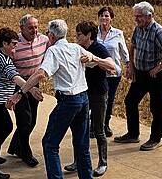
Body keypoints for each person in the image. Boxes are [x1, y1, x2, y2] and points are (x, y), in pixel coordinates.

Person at [11, 19, 100, 179]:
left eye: (47, 32)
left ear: (51, 35)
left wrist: (21, 92)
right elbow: (100, 62)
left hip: (69, 102)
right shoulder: (76, 47)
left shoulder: (53, 51)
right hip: (83, 100)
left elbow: (40, 74)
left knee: (50, 144)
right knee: (82, 144)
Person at [0, 27, 43, 179]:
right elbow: (16, 78)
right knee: (3, 130)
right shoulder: (6, 61)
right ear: (5, 44)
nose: (16, 46)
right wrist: (32, 89)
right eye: (14, 44)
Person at [114, 2, 162, 151]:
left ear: (149, 16)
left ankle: (156, 139)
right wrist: (131, 66)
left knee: (156, 107)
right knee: (130, 101)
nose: (136, 19)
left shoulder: (158, 31)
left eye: (139, 16)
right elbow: (133, 46)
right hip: (140, 73)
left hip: (155, 75)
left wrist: (159, 66)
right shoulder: (139, 28)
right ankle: (133, 134)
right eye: (135, 16)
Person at [64, 21, 116, 176]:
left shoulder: (98, 48)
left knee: (98, 129)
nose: (76, 36)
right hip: (82, 93)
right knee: (79, 128)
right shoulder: (77, 48)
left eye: (79, 34)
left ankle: (103, 163)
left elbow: (112, 66)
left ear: (88, 35)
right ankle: (78, 161)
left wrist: (94, 59)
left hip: (98, 94)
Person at [96, 7, 129, 138]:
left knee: (109, 99)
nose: (104, 18)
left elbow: (124, 52)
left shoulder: (118, 33)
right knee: (97, 99)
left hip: (113, 73)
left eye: (106, 16)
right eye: (101, 16)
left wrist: (128, 65)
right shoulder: (94, 33)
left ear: (111, 18)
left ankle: (105, 124)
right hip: (97, 72)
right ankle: (95, 124)